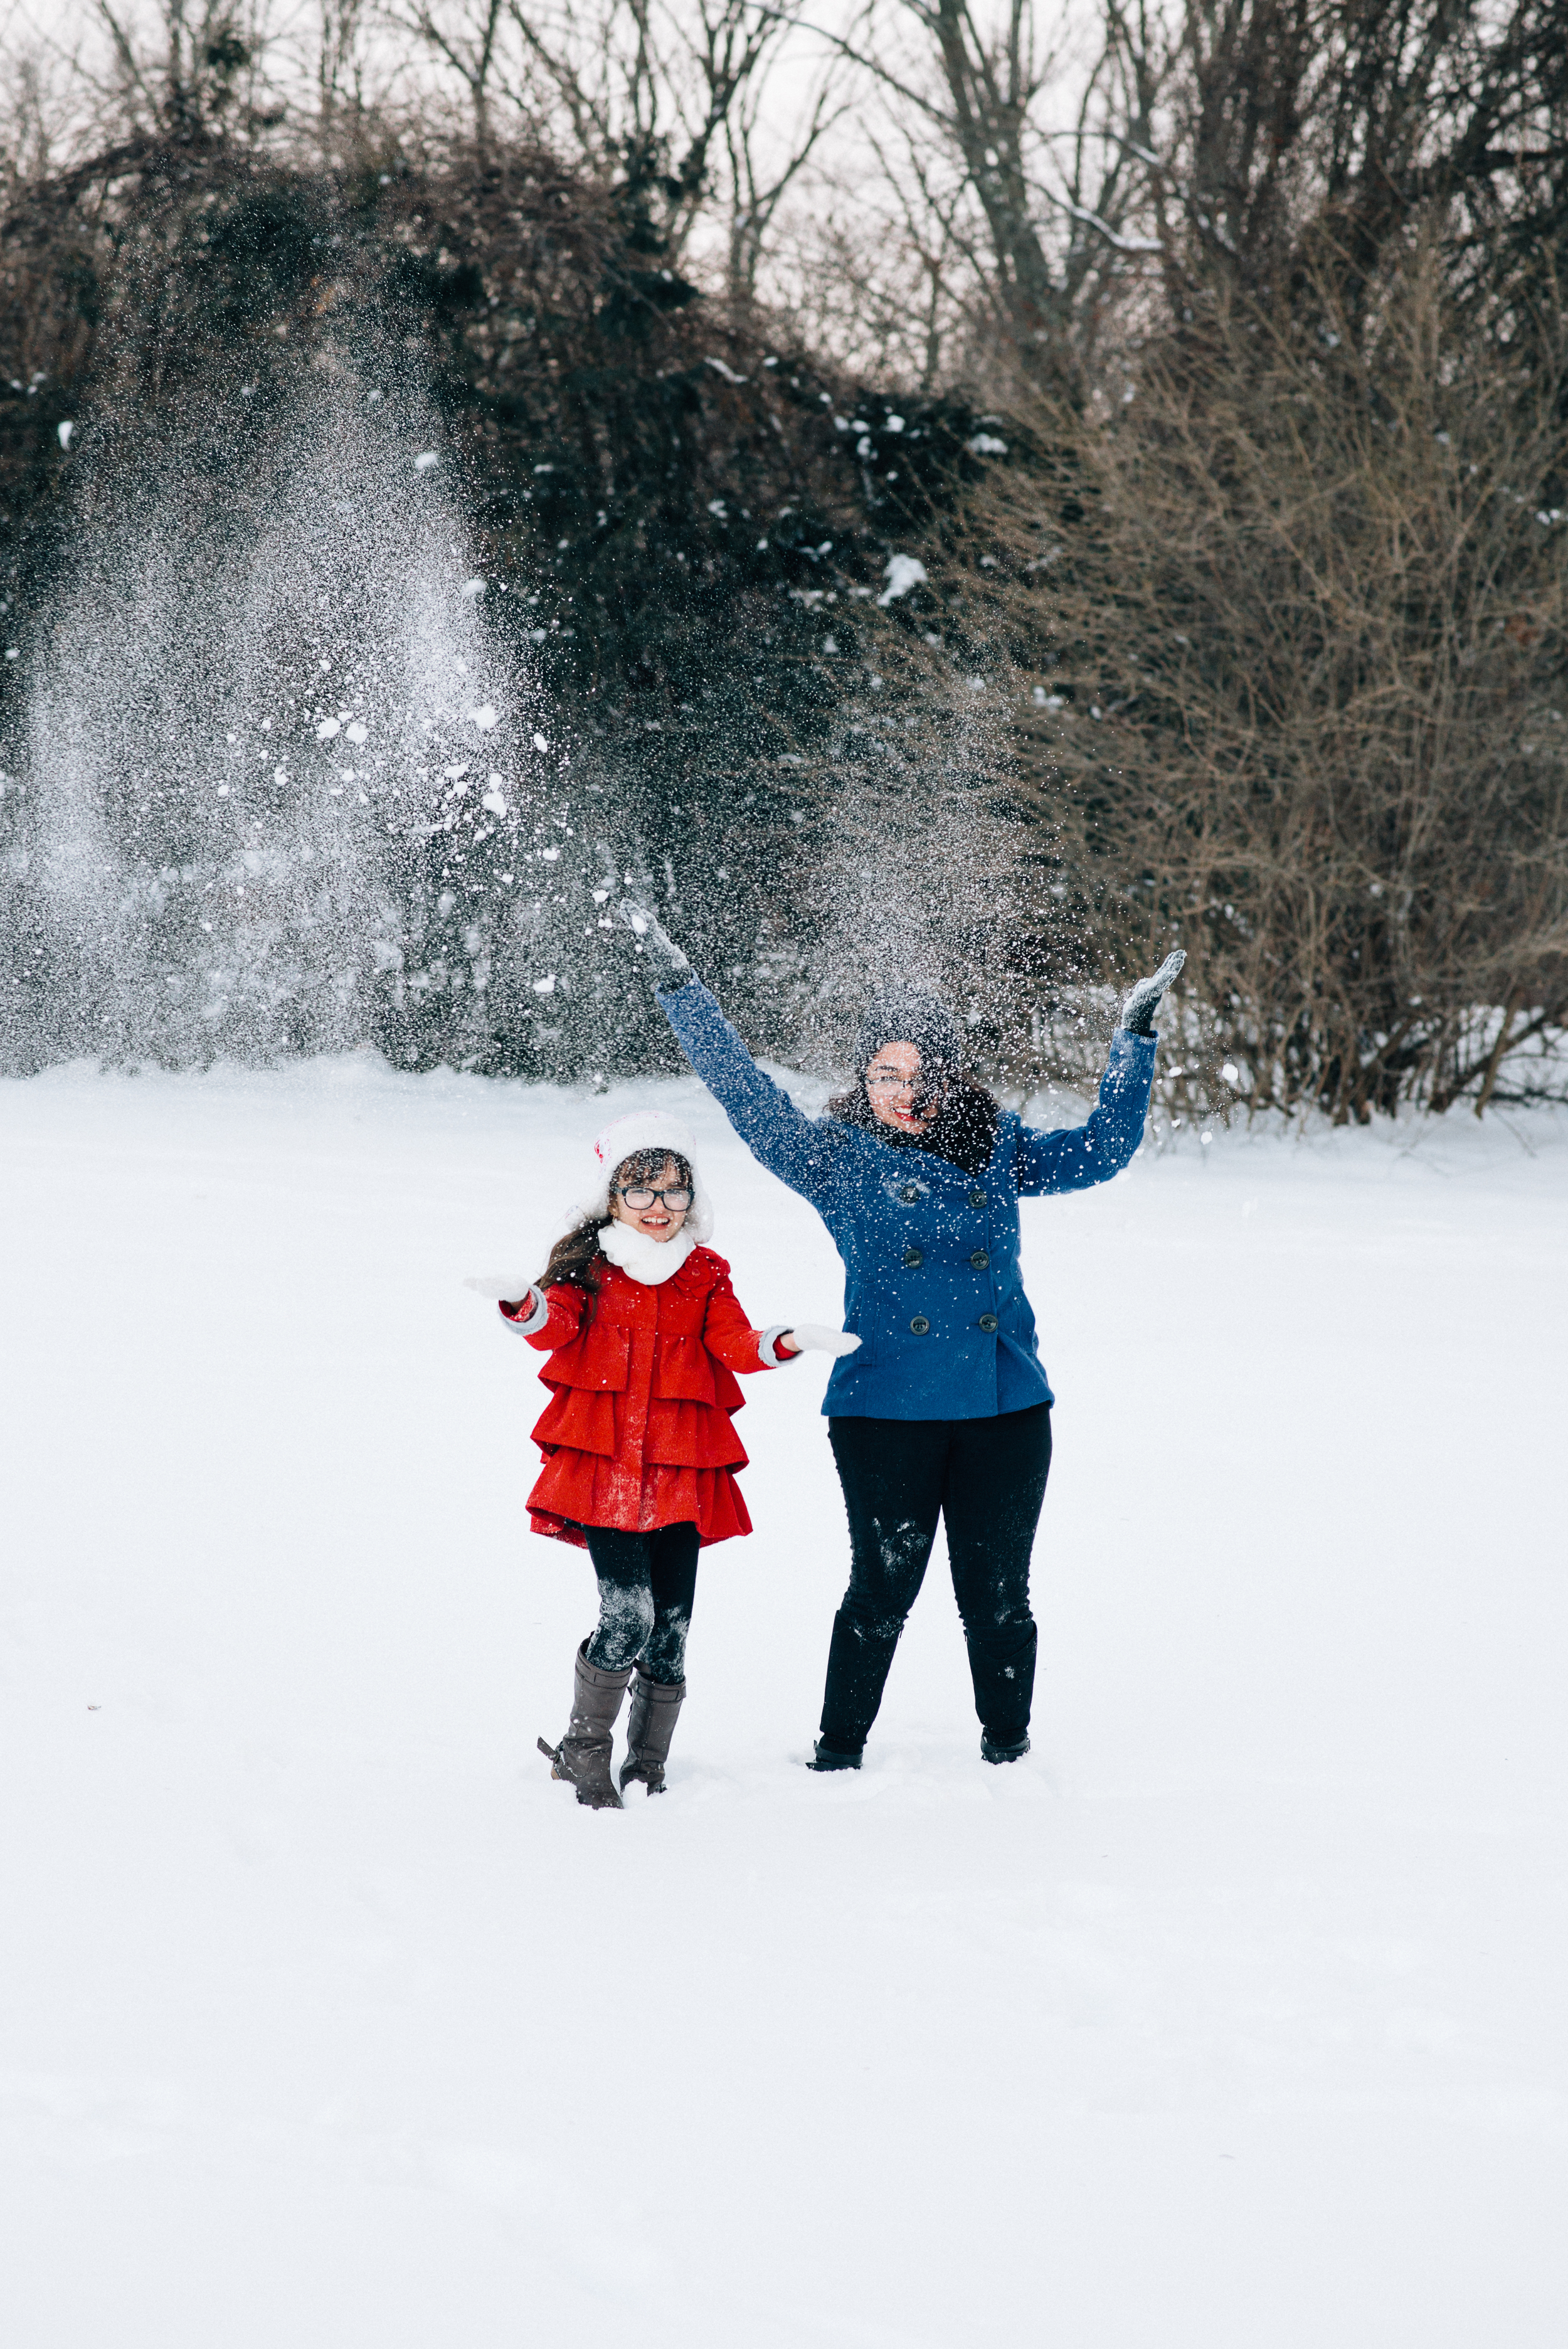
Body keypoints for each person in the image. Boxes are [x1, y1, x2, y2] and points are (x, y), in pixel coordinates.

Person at [612, 903, 1183, 1771]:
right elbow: (745, 1093)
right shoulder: (833, 1158)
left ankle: (1010, 1754)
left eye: (920, 1074)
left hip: (1005, 1404)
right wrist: (680, 988)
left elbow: (1104, 1150)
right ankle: (838, 1754)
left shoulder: (1000, 1148)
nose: (901, 1091)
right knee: (882, 1590)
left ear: (951, 1078)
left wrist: (1133, 1038)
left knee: (999, 1599)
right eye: (884, 1073)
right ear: (863, 1078)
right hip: (884, 1410)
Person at [469, 1111, 857, 1808]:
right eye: (642, 1191)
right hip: (607, 1471)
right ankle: (582, 1754)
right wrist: (520, 1302)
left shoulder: (703, 1273)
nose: (659, 1206)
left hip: (680, 1472)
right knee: (627, 1615)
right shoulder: (589, 1270)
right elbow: (552, 1325)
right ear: (612, 1196)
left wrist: (787, 1340)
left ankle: (648, 1765)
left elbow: (734, 1343)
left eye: (675, 1191)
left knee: (671, 1629)